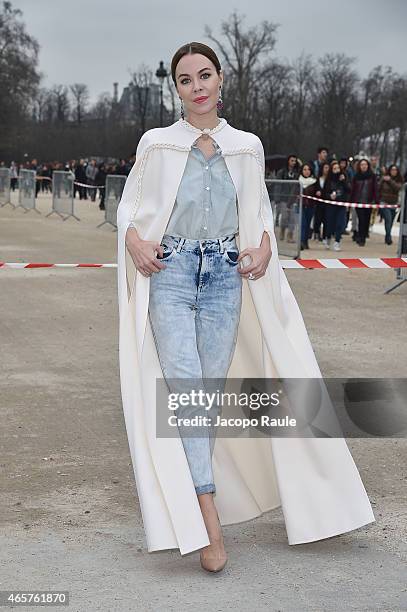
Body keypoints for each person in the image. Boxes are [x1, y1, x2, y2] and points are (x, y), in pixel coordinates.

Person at [117, 41, 375, 574]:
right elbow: (132, 211)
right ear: (176, 88)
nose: (197, 87)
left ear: (222, 80)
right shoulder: (158, 143)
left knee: (206, 395)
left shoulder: (247, 147)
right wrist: (134, 242)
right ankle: (208, 523)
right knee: (185, 388)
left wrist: (262, 248)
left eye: (204, 75)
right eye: (185, 80)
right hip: (171, 272)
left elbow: (257, 215)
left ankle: (200, 498)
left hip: (225, 278)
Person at [350, 158, 379, 246]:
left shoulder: (372, 176)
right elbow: (353, 189)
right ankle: (361, 237)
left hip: (369, 201)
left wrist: (376, 201)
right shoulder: (356, 176)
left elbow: (375, 189)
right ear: (359, 166)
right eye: (362, 165)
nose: (364, 166)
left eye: (365, 164)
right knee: (361, 219)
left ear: (368, 166)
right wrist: (351, 201)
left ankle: (363, 234)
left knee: (367, 220)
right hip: (358, 201)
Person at [323, 160, 351, 251]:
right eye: (334, 168)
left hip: (341, 204)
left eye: (338, 168)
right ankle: (328, 238)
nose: (337, 170)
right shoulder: (328, 180)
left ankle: (337, 241)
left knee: (340, 224)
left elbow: (349, 190)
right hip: (331, 205)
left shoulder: (344, 178)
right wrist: (330, 196)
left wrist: (343, 181)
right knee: (330, 223)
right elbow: (324, 193)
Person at [276, 155, 300, 242]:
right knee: (285, 217)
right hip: (283, 198)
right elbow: (278, 185)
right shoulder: (282, 172)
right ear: (288, 161)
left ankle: (290, 235)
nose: (293, 163)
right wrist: (277, 198)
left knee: (292, 218)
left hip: (293, 198)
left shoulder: (297, 173)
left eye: (295, 161)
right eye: (292, 160)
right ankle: (282, 230)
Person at [379, 164, 403, 245]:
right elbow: (378, 187)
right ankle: (388, 237)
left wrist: (390, 180)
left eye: (395, 170)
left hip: (394, 203)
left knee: (391, 221)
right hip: (384, 202)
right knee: (388, 219)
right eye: (392, 170)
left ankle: (387, 235)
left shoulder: (399, 180)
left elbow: (397, 188)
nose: (394, 171)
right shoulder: (384, 179)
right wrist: (382, 180)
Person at [298, 163, 317, 250]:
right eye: (304, 169)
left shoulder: (314, 181)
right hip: (301, 206)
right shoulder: (298, 181)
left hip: (310, 206)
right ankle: (301, 242)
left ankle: (305, 241)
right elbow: (293, 192)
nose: (306, 171)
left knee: (308, 224)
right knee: (303, 224)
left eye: (308, 169)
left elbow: (318, 193)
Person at [312, 162, 330, 241]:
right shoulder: (318, 179)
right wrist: (316, 192)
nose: (327, 169)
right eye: (325, 167)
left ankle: (325, 235)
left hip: (327, 202)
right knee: (318, 218)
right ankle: (316, 233)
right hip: (319, 202)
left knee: (326, 219)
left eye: (328, 168)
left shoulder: (330, 180)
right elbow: (315, 189)